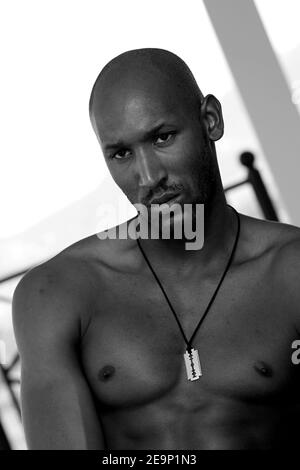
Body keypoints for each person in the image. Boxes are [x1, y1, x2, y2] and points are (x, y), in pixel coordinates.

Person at [12, 48, 300, 450]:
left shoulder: (290, 271)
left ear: (210, 120)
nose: (148, 177)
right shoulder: (57, 294)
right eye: (122, 154)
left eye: (162, 138)